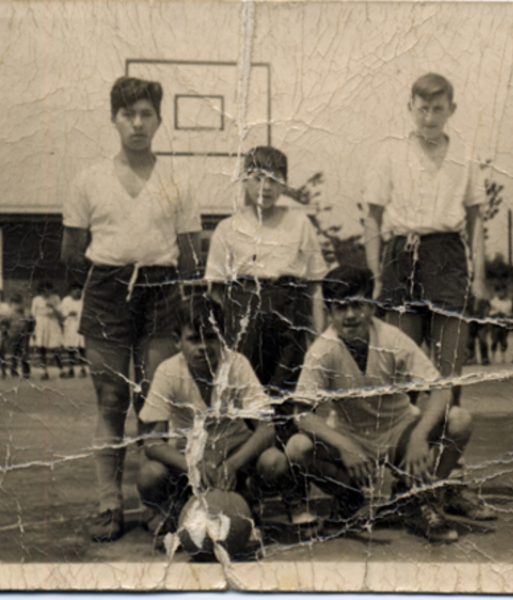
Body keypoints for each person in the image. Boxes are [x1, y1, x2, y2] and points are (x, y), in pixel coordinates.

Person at [61, 76, 201, 542]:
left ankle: (156, 504)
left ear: (159, 120)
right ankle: (108, 503)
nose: (137, 123)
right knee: (110, 401)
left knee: (152, 402)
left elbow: (190, 253)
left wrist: (162, 288)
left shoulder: (178, 180)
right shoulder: (89, 179)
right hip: (106, 290)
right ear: (114, 119)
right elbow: (71, 251)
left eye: (146, 114)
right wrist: (111, 281)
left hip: (161, 291)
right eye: (128, 114)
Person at [286, 266, 496, 543]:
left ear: (371, 306)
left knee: (459, 420)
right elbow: (301, 415)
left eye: (357, 305)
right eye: (340, 307)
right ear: (328, 310)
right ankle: (349, 497)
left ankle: (428, 498)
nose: (349, 315)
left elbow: (441, 388)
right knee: (297, 448)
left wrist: (419, 436)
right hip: (352, 437)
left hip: (399, 433)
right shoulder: (322, 350)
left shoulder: (391, 338)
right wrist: (345, 446)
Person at [364, 73, 486, 406]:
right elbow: (372, 215)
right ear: (410, 108)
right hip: (401, 255)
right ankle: (403, 452)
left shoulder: (465, 155)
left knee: (449, 366)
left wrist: (479, 279)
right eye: (422, 109)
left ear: (451, 109)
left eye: (437, 109)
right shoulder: (390, 153)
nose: (429, 118)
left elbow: (476, 219)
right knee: (402, 364)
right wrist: (375, 275)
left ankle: (448, 453)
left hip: (447, 254)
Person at [205, 146, 328, 433]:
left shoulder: (300, 223)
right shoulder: (227, 228)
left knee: (286, 393)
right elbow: (215, 292)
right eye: (258, 178)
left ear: (284, 183)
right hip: (244, 318)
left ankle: (284, 468)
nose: (266, 187)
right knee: (247, 393)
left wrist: (318, 339)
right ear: (244, 180)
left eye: (274, 179)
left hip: (290, 316)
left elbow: (315, 287)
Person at [137, 295, 282, 538]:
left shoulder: (236, 364)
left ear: (222, 336)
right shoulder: (169, 370)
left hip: (234, 453)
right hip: (191, 457)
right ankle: (168, 510)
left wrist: (233, 464)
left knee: (274, 461)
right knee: (150, 474)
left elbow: (267, 428)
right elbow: (151, 441)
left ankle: (249, 499)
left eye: (211, 337)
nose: (203, 346)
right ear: (177, 341)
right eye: (194, 339)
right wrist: (192, 466)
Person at [30, 281, 64, 380]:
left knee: (55, 348)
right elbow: (33, 313)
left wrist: (53, 307)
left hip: (53, 323)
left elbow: (61, 314)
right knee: (41, 348)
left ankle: (61, 370)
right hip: (41, 324)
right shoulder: (36, 300)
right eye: (43, 291)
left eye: (48, 290)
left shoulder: (56, 298)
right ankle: (45, 372)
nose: (46, 292)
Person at [0, 294, 33, 378]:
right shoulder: (10, 312)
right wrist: (5, 330)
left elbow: (31, 322)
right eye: (15, 303)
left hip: (23, 335)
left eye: (18, 303)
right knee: (13, 352)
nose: (17, 305)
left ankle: (26, 371)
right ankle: (13, 370)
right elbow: (3, 322)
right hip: (13, 334)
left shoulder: (26, 312)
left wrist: (29, 330)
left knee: (24, 353)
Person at [59, 284, 87, 378]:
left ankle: (83, 369)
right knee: (71, 349)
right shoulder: (66, 300)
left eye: (79, 290)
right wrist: (69, 314)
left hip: (80, 326)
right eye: (74, 290)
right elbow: (62, 315)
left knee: (81, 348)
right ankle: (71, 369)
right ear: (71, 291)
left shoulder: (83, 301)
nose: (77, 292)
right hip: (70, 327)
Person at [489, 286, 513, 364]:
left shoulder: (508, 302)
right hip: (496, 323)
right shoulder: (493, 301)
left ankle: (503, 357)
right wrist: (496, 313)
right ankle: (493, 357)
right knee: (494, 340)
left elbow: (509, 313)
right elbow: (490, 313)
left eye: (503, 292)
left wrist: (506, 315)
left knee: (504, 341)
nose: (501, 293)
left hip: (504, 323)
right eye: (499, 292)